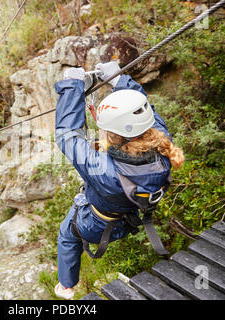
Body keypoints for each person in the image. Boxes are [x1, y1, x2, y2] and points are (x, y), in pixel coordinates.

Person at [53, 61, 185, 299]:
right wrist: (119, 79)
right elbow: (145, 114)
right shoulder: (162, 144)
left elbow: (68, 136)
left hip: (95, 225)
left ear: (114, 135)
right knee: (92, 145)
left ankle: (66, 286)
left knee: (67, 234)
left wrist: (72, 87)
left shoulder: (103, 170)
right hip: (129, 219)